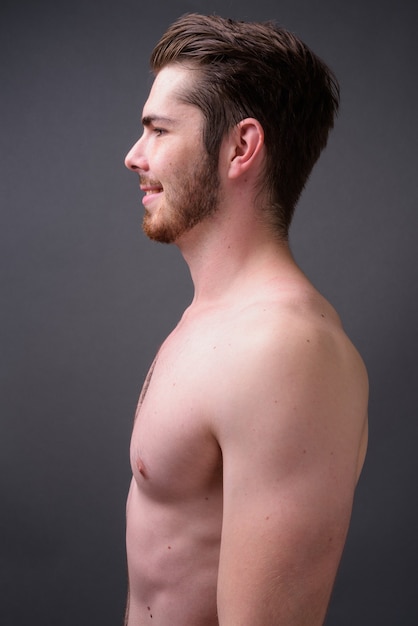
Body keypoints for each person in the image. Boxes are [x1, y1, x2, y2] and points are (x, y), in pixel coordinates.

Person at [123, 13, 368, 626]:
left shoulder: (284, 349)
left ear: (241, 147)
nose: (134, 156)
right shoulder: (216, 320)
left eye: (158, 130)